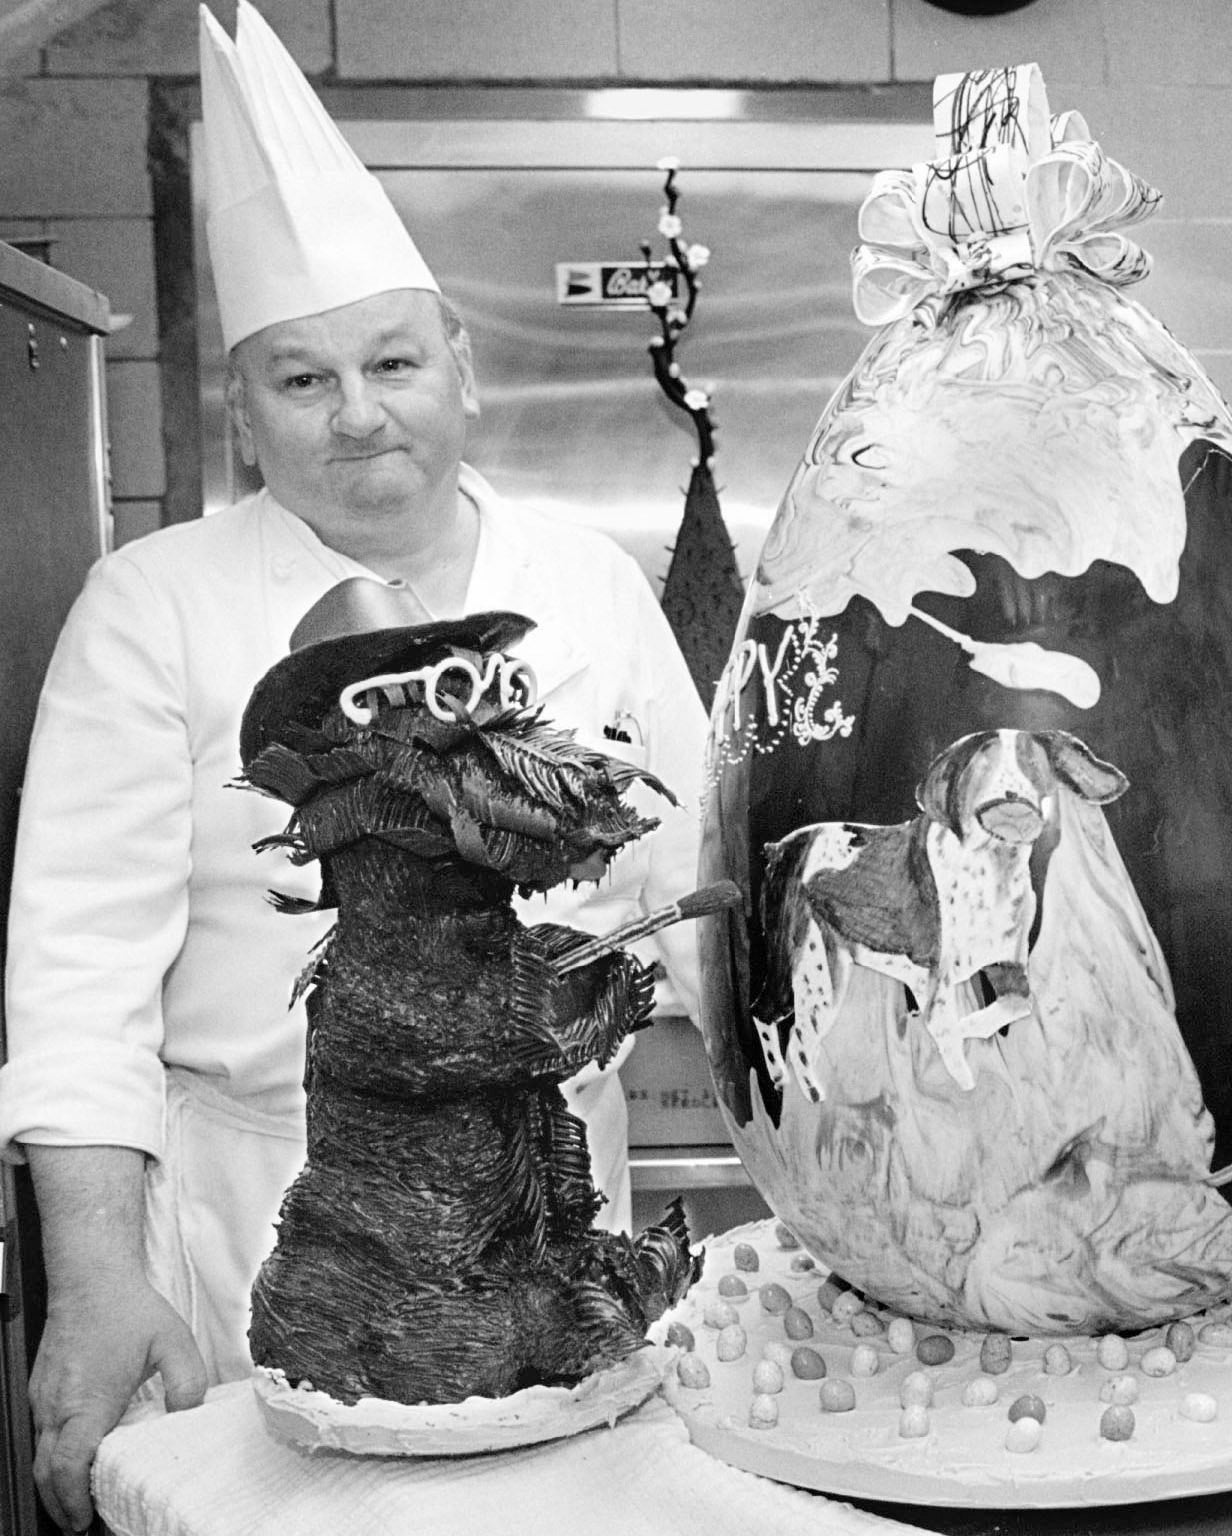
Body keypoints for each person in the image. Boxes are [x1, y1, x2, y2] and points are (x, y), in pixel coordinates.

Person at [0, 7, 707, 1530]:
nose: (359, 411)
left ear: (462, 367)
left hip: (544, 1204)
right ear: (244, 413)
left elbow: (696, 887)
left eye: (391, 359)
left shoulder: (587, 581)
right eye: (302, 380)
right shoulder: (153, 607)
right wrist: (101, 1282)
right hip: (267, 1225)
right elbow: (77, 980)